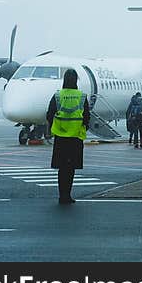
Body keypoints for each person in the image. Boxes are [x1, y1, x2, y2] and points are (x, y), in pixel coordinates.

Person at [46, 68, 90, 205]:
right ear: (76, 80)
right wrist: (83, 127)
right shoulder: (82, 96)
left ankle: (62, 195)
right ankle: (68, 195)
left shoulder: (57, 96)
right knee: (70, 169)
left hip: (60, 137)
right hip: (76, 137)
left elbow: (49, 114)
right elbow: (87, 116)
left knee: (62, 168)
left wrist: (55, 126)